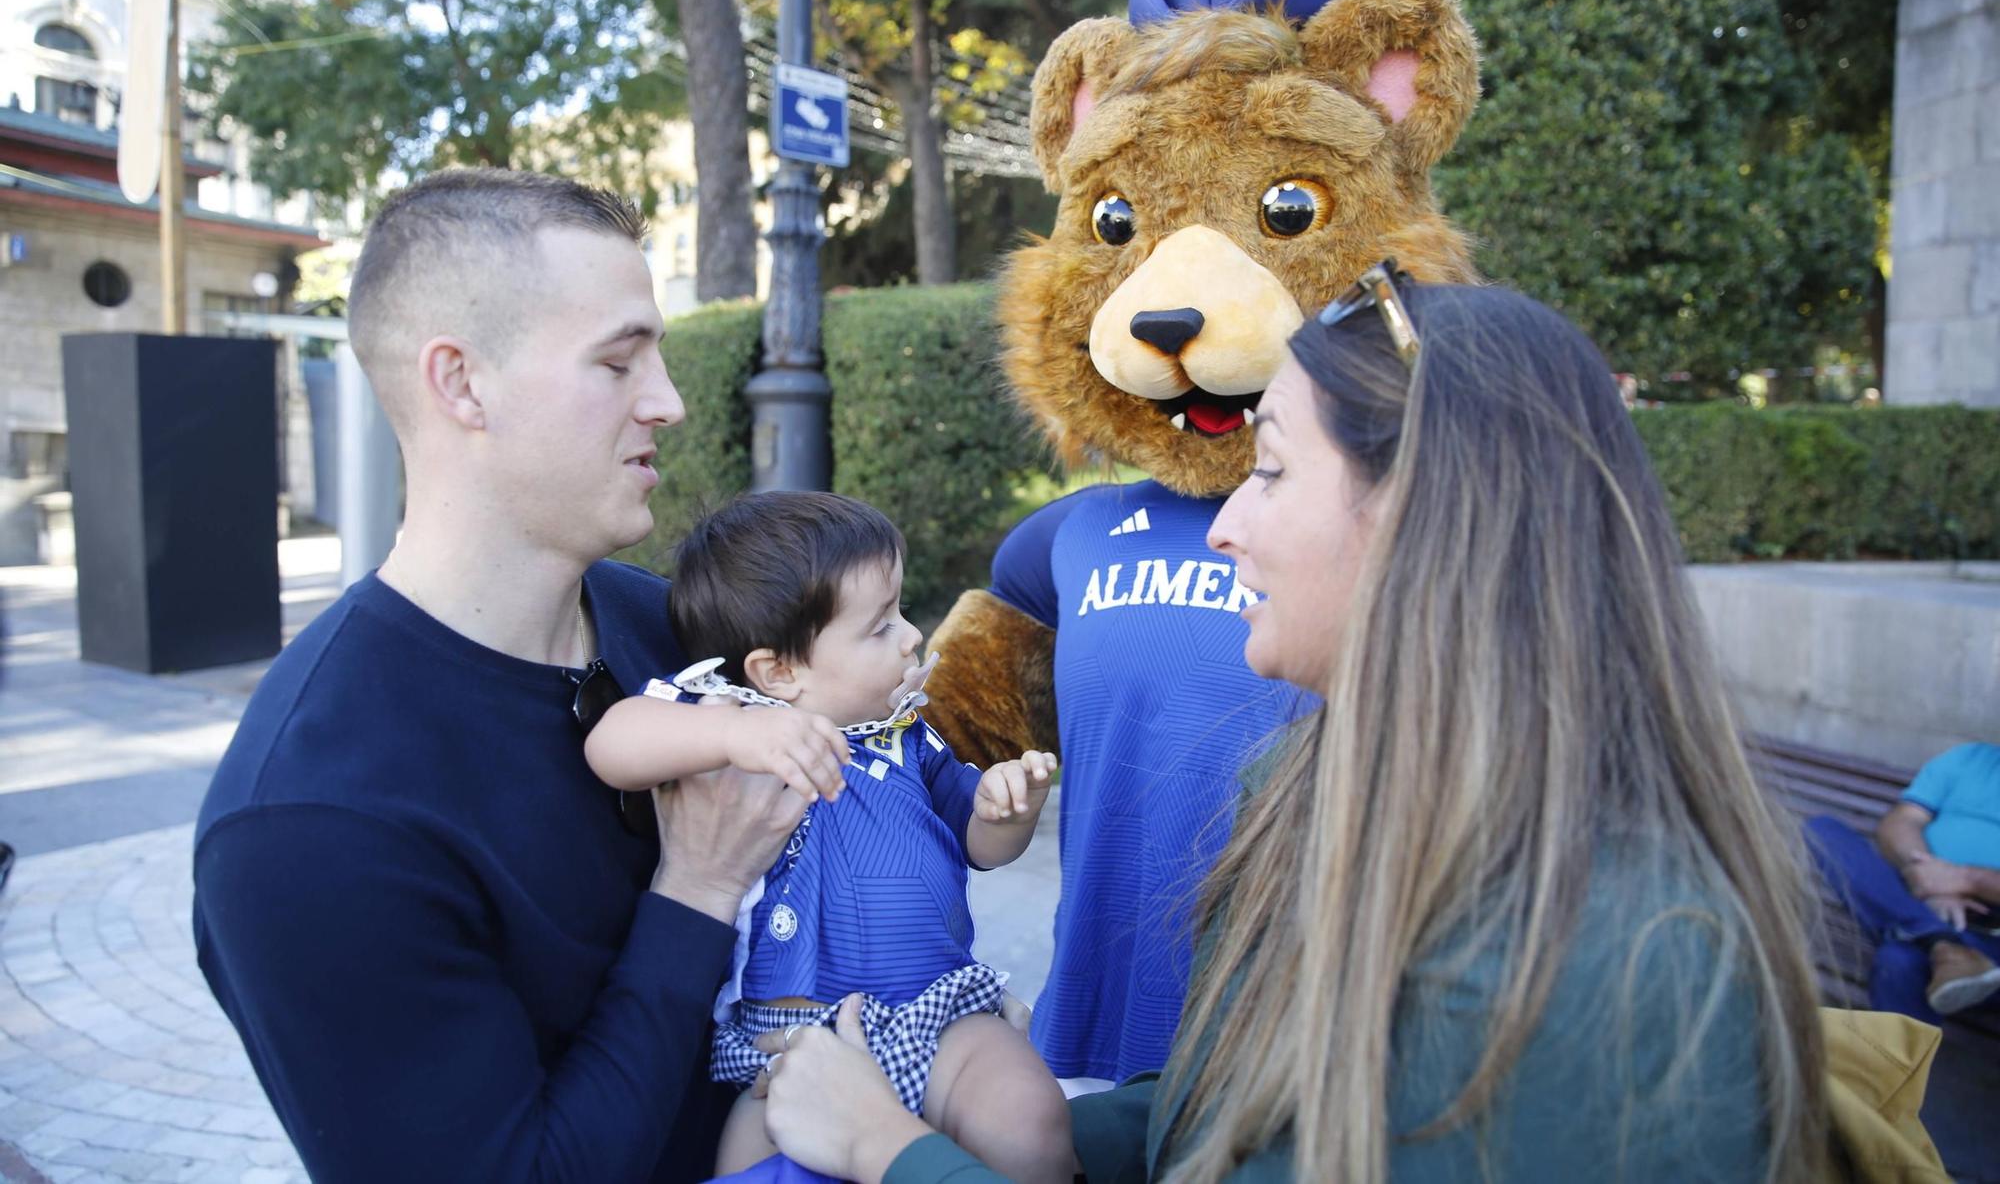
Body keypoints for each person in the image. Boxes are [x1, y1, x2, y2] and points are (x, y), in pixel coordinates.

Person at [754, 272, 1831, 1183]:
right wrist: (1000, 1128)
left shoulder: (1606, 970)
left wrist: (890, 1148)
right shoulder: (1320, 778)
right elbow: (1240, 1102)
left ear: (1421, 511)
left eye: (1268, 470)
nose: (1223, 525)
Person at [192, 169, 807, 1183]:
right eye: (619, 362)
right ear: (461, 383)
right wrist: (696, 885)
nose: (670, 402)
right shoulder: (308, 820)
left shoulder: (666, 625)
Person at [584, 491, 1071, 1183]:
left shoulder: (908, 736)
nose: (911, 636)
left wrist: (1004, 811)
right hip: (790, 1048)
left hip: (940, 1019)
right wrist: (730, 732)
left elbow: (980, 844)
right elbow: (611, 743)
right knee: (747, 1167)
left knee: (1030, 1115)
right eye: (880, 626)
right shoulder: (732, 723)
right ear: (777, 671)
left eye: (901, 612)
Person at [1806, 743, 2000, 1019]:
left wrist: (1965, 879)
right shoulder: (1968, 758)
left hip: (1991, 934)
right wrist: (1926, 880)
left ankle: (1935, 941)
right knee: (1823, 832)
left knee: (1898, 960)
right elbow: (1901, 821)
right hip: (1916, 897)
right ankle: (1940, 941)